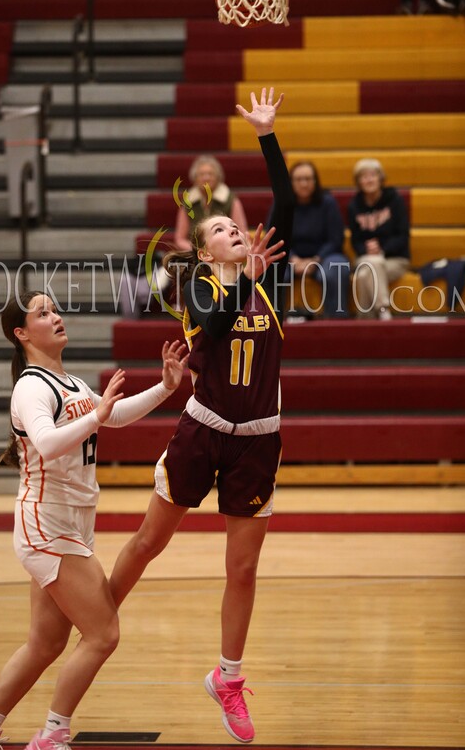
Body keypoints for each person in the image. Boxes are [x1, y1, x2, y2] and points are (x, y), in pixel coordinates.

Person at [109, 87, 292, 744]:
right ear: (205, 249)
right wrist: (243, 276)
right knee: (149, 541)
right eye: (218, 229)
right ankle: (95, 617)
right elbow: (212, 329)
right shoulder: (200, 287)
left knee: (241, 568)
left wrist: (266, 135)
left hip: (257, 441)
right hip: (203, 431)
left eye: (234, 225)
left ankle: (229, 677)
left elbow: (288, 204)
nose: (233, 230)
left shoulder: (266, 278)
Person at [0, 291, 187, 750]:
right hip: (47, 527)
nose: (56, 317)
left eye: (55, 309)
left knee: (44, 644)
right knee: (103, 634)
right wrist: (97, 415)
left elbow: (112, 416)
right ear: (21, 334)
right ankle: (53, 734)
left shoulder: (70, 382)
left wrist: (165, 388)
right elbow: (47, 443)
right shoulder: (31, 386)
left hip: (68, 524)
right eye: (43, 313)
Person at [271, 161, 350, 319]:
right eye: (299, 179)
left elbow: (336, 239)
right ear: (291, 182)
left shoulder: (328, 203)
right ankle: (272, 323)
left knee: (336, 269)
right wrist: (293, 258)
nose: (304, 183)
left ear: (315, 181)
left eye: (308, 179)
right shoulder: (281, 204)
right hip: (288, 257)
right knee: (272, 269)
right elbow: (274, 236)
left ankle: (336, 322)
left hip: (325, 256)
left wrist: (315, 259)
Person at [348, 158, 410, 320]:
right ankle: (383, 312)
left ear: (381, 178)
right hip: (365, 258)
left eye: (372, 175)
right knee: (372, 262)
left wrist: (382, 249)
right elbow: (355, 240)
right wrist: (366, 249)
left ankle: (365, 319)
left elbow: (403, 235)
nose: (369, 180)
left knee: (363, 276)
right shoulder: (354, 206)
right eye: (363, 176)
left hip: (395, 259)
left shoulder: (395, 200)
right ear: (358, 182)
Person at [174, 154, 248, 251]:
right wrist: (199, 251)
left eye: (210, 174)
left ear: (218, 177)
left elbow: (241, 233)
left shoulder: (231, 200)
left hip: (225, 252)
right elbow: (180, 239)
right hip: (195, 254)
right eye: (201, 174)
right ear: (195, 178)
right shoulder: (188, 202)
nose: (206, 178)